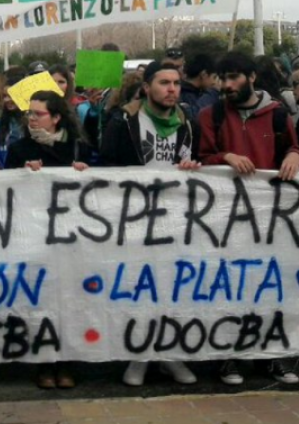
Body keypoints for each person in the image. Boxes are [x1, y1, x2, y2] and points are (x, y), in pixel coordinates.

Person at [198, 52, 299, 386]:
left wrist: (293, 156)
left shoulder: (277, 116)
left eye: (233, 78)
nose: (226, 85)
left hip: (272, 220)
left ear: (252, 78)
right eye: (222, 79)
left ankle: (274, 355)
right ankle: (231, 356)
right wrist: (224, 156)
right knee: (230, 288)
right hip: (224, 222)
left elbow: (295, 147)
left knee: (271, 287)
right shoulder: (210, 115)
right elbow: (199, 160)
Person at [100, 61, 199, 387]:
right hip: (133, 220)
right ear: (146, 88)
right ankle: (140, 354)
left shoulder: (188, 123)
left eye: (176, 83)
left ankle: (170, 354)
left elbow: (199, 161)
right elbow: (108, 167)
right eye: (164, 83)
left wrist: (193, 166)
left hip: (175, 220)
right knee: (141, 288)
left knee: (172, 288)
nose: (172, 89)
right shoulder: (124, 121)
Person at [3, 90, 87, 389]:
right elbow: (4, 188)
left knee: (68, 300)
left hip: (71, 235)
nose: (31, 119)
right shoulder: (19, 148)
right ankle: (43, 362)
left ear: (55, 118)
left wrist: (84, 173)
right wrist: (23, 174)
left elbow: (99, 182)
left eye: (38, 114)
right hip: (35, 235)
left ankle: (66, 362)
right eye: (29, 114)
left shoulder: (77, 148)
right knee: (40, 298)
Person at [179, 53, 220, 120]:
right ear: (204, 74)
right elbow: (195, 116)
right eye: (214, 77)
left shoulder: (196, 92)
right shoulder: (184, 95)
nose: (215, 82)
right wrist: (214, 92)